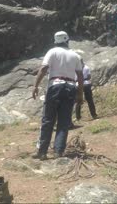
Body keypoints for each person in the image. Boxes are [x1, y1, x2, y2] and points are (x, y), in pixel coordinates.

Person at [32, 31, 84, 160]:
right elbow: (80, 76)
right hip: (70, 87)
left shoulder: (52, 52)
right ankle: (58, 152)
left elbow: (44, 69)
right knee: (64, 121)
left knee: (48, 119)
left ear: (56, 41)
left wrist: (35, 86)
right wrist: (80, 94)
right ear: (67, 40)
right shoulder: (75, 55)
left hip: (55, 85)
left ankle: (42, 152)